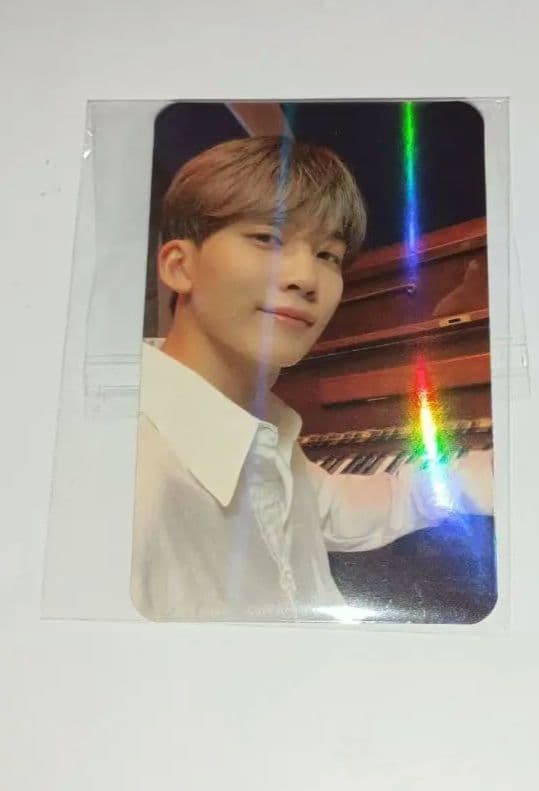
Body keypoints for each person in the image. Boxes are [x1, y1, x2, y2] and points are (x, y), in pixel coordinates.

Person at [130, 135, 493, 623]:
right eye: (267, 238)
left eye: (328, 255)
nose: (306, 278)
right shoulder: (129, 481)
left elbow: (327, 508)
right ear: (179, 265)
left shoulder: (255, 421)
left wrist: (482, 474)